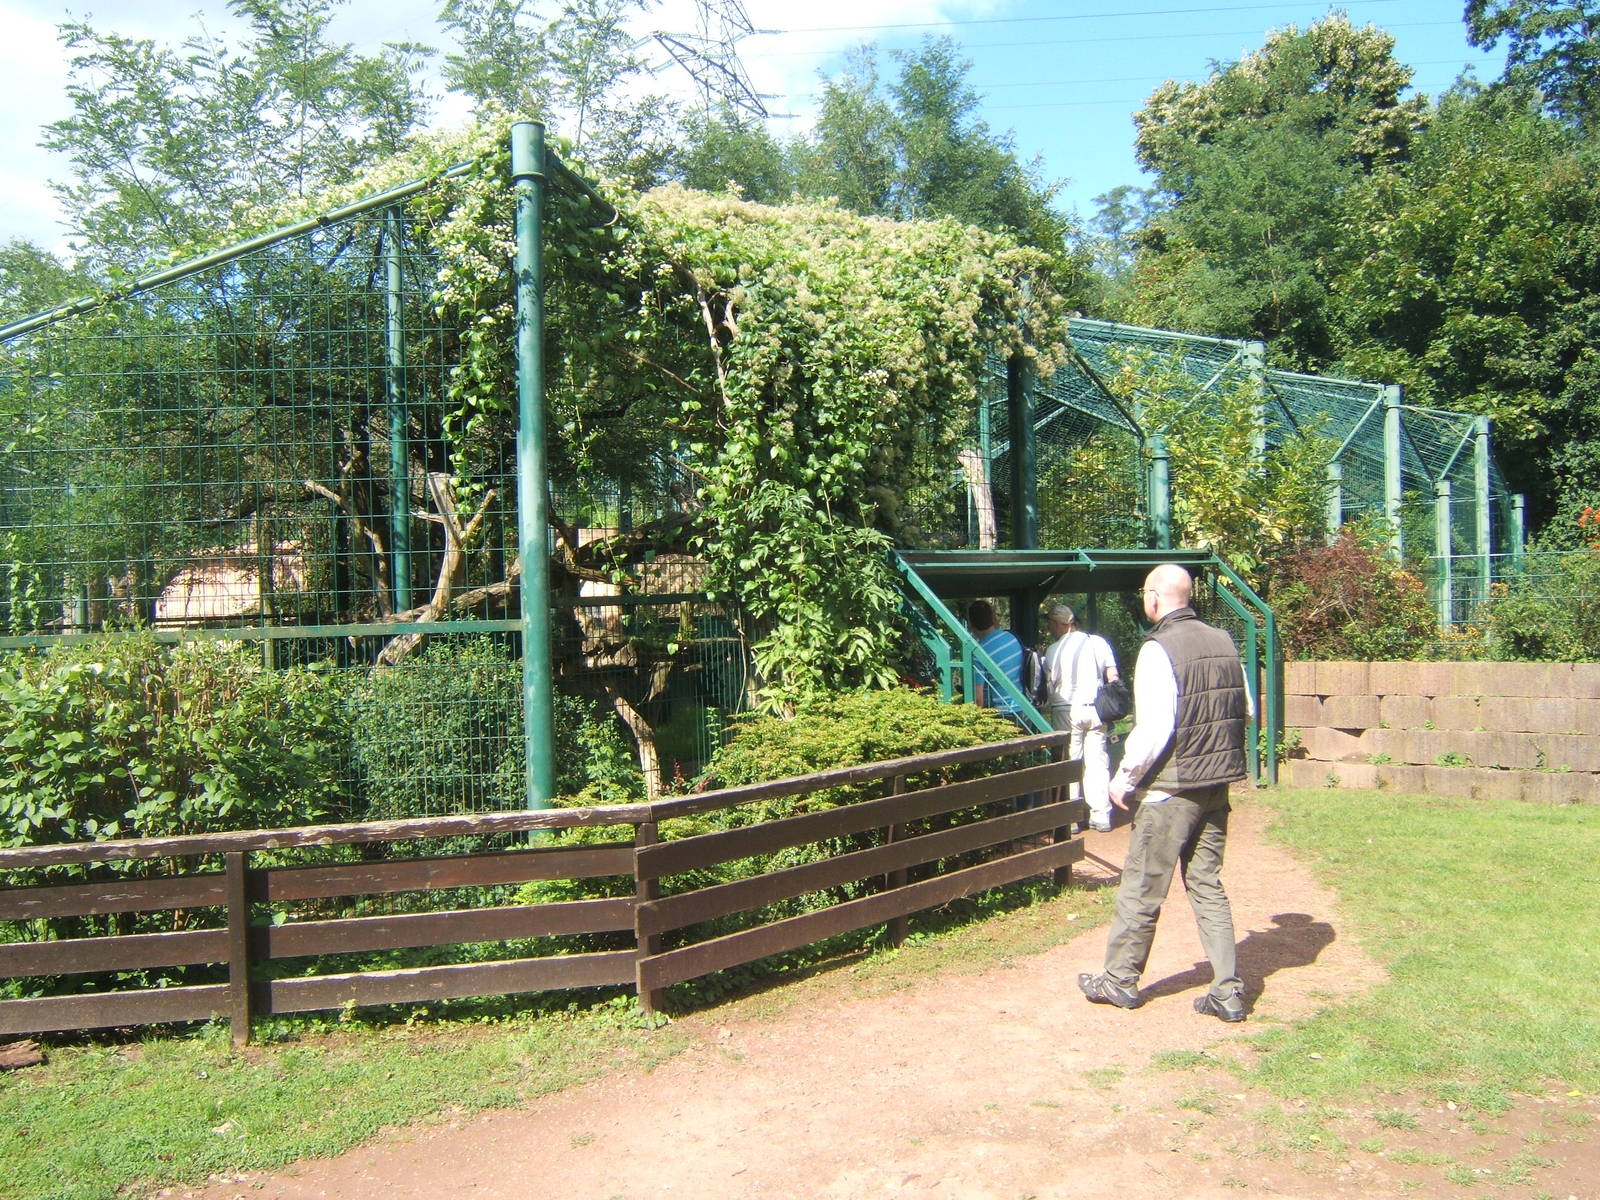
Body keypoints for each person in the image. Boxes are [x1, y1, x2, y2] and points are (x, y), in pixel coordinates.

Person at [1077, 563, 1252, 1023]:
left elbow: (1156, 727)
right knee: (1208, 885)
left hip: (1171, 790)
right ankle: (1228, 991)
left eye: (1143, 593)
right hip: (1216, 784)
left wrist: (1125, 777)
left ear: (1154, 597)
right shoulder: (1224, 641)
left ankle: (1118, 981)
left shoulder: (1158, 648)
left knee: (1141, 888)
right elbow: (1246, 709)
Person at [1042, 603, 1120, 833]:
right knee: (1097, 761)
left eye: (1051, 624)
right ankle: (1101, 815)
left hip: (1066, 710)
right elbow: (1112, 676)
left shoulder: (1052, 650)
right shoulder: (1097, 642)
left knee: (1070, 762)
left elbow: (1051, 682)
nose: (1050, 628)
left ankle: (1072, 818)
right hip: (1095, 708)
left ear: (1059, 624)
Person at [966, 598, 1024, 721]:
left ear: (971, 624)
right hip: (1026, 709)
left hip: (1004, 713)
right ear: (992, 617)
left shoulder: (979, 652)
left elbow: (978, 698)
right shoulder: (1012, 637)